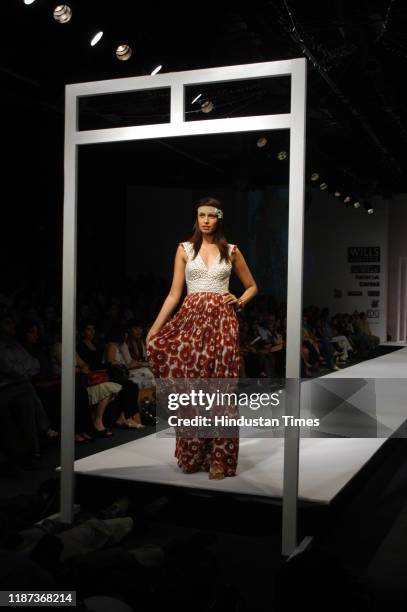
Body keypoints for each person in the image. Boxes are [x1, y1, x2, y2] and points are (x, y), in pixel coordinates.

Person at [146, 197, 258, 480]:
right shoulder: (184, 249)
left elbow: (252, 285)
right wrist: (155, 329)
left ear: (219, 218)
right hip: (191, 321)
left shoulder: (231, 251)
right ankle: (194, 454)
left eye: (211, 215)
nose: (206, 220)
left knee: (221, 391)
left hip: (222, 323)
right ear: (196, 218)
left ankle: (219, 459)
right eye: (201, 215)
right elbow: (174, 293)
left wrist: (241, 301)